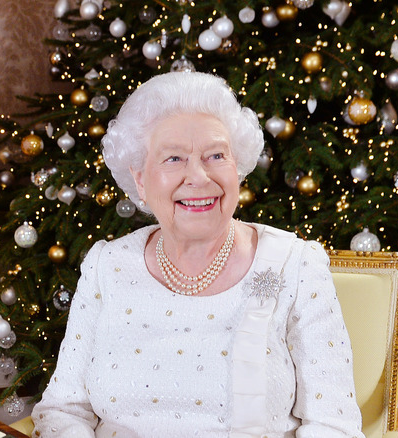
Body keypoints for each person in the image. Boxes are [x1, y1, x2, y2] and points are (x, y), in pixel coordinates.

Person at [32, 72, 364, 437]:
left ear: (238, 169)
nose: (199, 177)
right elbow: (63, 410)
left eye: (216, 155)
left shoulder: (294, 265)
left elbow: (334, 426)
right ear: (140, 179)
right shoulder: (107, 266)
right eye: (173, 158)